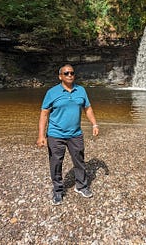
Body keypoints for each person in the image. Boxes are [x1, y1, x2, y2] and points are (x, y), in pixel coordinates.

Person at [36, 64, 99, 206]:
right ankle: (58, 190)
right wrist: (41, 136)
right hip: (55, 134)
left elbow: (87, 108)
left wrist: (94, 124)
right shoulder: (52, 93)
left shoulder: (81, 90)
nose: (70, 75)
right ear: (60, 76)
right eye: (66, 73)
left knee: (79, 160)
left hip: (75, 134)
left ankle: (81, 186)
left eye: (72, 73)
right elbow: (44, 114)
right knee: (56, 162)